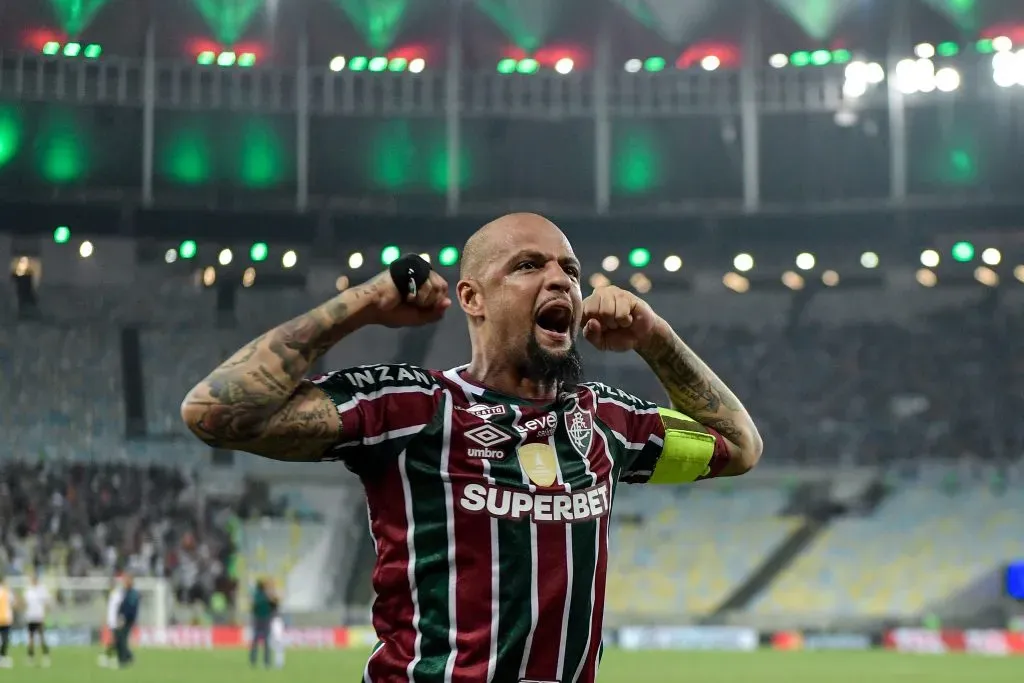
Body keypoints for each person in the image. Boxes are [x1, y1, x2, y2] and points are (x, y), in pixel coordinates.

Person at [182, 213, 763, 683]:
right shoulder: (412, 407)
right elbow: (213, 412)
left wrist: (655, 338)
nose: (560, 279)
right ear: (472, 297)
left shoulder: (607, 421)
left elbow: (740, 447)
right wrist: (360, 306)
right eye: (528, 266)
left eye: (570, 269)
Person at [20, 571, 51, 667]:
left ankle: (46, 656)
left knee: (42, 638)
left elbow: (46, 602)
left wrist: (45, 613)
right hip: (30, 617)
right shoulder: (28, 590)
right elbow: (24, 602)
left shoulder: (42, 590)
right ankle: (30, 657)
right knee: (31, 639)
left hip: (39, 617)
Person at [114, 573, 140, 668]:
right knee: (120, 638)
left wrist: (123, 617)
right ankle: (127, 657)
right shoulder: (126, 592)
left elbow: (130, 608)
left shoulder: (133, 594)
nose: (125, 583)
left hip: (127, 620)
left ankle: (124, 659)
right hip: (124, 619)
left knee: (121, 638)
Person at [98, 574, 123, 668]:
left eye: (111, 583)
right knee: (112, 640)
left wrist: (120, 618)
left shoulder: (118, 594)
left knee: (114, 640)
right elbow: (110, 608)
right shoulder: (111, 594)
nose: (110, 585)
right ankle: (109, 657)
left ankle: (108, 657)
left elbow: (120, 607)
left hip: (116, 620)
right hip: (111, 620)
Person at [0, 575, 12, 669]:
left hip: (5, 619)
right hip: (5, 619)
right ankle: (3, 657)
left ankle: (3, 657)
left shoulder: (6, 591)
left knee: (5, 640)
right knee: (5, 640)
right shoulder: (6, 591)